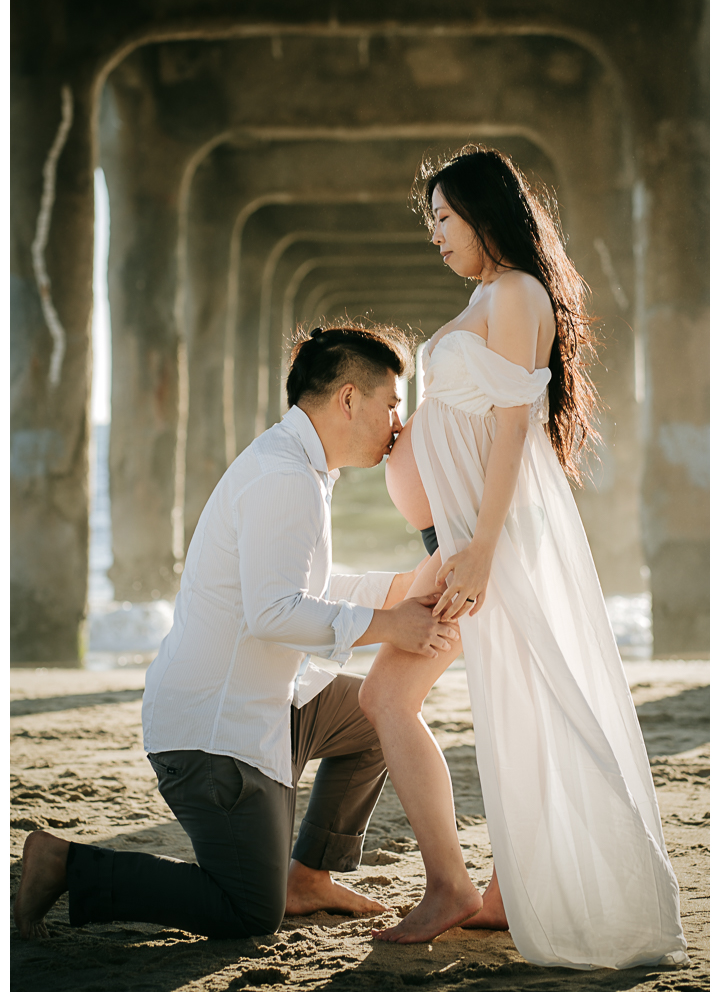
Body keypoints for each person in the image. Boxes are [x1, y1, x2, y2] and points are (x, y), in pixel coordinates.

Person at [14, 324, 460, 942]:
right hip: (213, 736)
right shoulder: (285, 478)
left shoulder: (299, 467)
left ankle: (308, 876)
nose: (398, 424)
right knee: (248, 911)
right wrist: (390, 626)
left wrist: (401, 588)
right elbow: (273, 613)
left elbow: (302, 589)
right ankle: (65, 863)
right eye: (392, 404)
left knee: (380, 715)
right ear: (349, 399)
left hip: (269, 704)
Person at [359, 145, 689, 970]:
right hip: (466, 543)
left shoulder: (515, 293)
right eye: (430, 221)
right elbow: (474, 424)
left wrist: (479, 552)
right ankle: (501, 887)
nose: (434, 234)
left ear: (481, 212)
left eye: (442, 217)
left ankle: (453, 886)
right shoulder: (491, 295)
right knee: (519, 701)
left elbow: (512, 435)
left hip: (484, 547)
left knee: (408, 695)